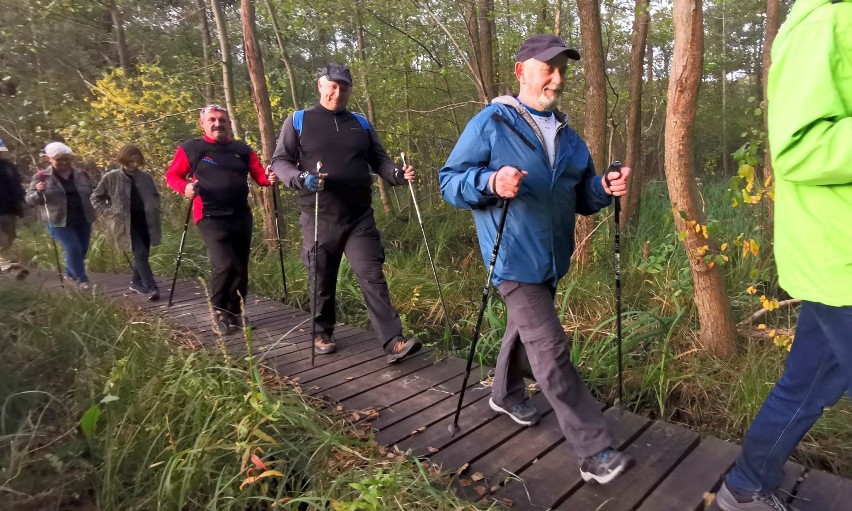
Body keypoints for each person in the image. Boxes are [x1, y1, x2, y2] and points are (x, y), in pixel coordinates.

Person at [439, 34, 633, 484]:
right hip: (509, 256)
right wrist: (490, 181)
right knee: (550, 347)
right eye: (548, 67)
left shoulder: (569, 137)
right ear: (522, 70)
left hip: (551, 257)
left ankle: (504, 394)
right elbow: (449, 182)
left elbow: (579, 196)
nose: (557, 77)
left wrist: (603, 188)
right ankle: (594, 449)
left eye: (562, 67)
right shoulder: (492, 122)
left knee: (524, 331)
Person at [715, 2, 852, 510]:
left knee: (805, 385)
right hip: (841, 257)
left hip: (835, 264)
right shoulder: (826, 20)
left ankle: (745, 488)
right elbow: (799, 148)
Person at [270, 63, 422, 364]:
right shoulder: (298, 120)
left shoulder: (361, 124)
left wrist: (396, 173)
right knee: (321, 277)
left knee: (372, 276)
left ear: (350, 90)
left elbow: (379, 160)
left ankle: (393, 341)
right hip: (318, 215)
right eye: (333, 86)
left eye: (344, 87)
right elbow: (280, 161)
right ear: (320, 85)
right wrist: (300, 178)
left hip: (358, 217)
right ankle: (321, 331)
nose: (337, 92)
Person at [165, 104, 276, 333]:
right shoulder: (192, 149)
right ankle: (218, 311)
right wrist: (185, 188)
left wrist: (269, 178)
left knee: (240, 266)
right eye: (212, 120)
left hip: (240, 214)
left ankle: (235, 312)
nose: (218, 124)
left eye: (222, 120)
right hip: (208, 215)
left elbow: (260, 177)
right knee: (224, 264)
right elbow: (172, 175)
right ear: (203, 123)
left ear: (228, 124)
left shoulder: (242, 150)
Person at [91, 145, 162, 300]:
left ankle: (136, 282)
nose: (135, 164)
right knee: (141, 253)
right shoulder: (111, 177)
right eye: (132, 161)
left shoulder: (146, 177)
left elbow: (156, 195)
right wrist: (110, 212)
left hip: (147, 221)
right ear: (124, 160)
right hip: (126, 223)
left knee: (143, 255)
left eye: (138, 161)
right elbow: (95, 198)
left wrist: (155, 206)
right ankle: (152, 287)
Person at [25, 142, 96, 288]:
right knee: (73, 248)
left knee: (82, 249)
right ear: (49, 159)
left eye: (67, 159)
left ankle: (70, 273)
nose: (64, 162)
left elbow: (93, 192)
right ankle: (82, 280)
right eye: (59, 159)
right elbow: (29, 199)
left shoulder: (81, 174)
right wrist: (38, 191)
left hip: (83, 217)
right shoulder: (41, 176)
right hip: (59, 221)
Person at [0, 138, 28, 279]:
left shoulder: (8, 167)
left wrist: (22, 199)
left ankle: (3, 265)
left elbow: (17, 185)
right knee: (1, 240)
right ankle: (10, 266)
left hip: (9, 209)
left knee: (10, 238)